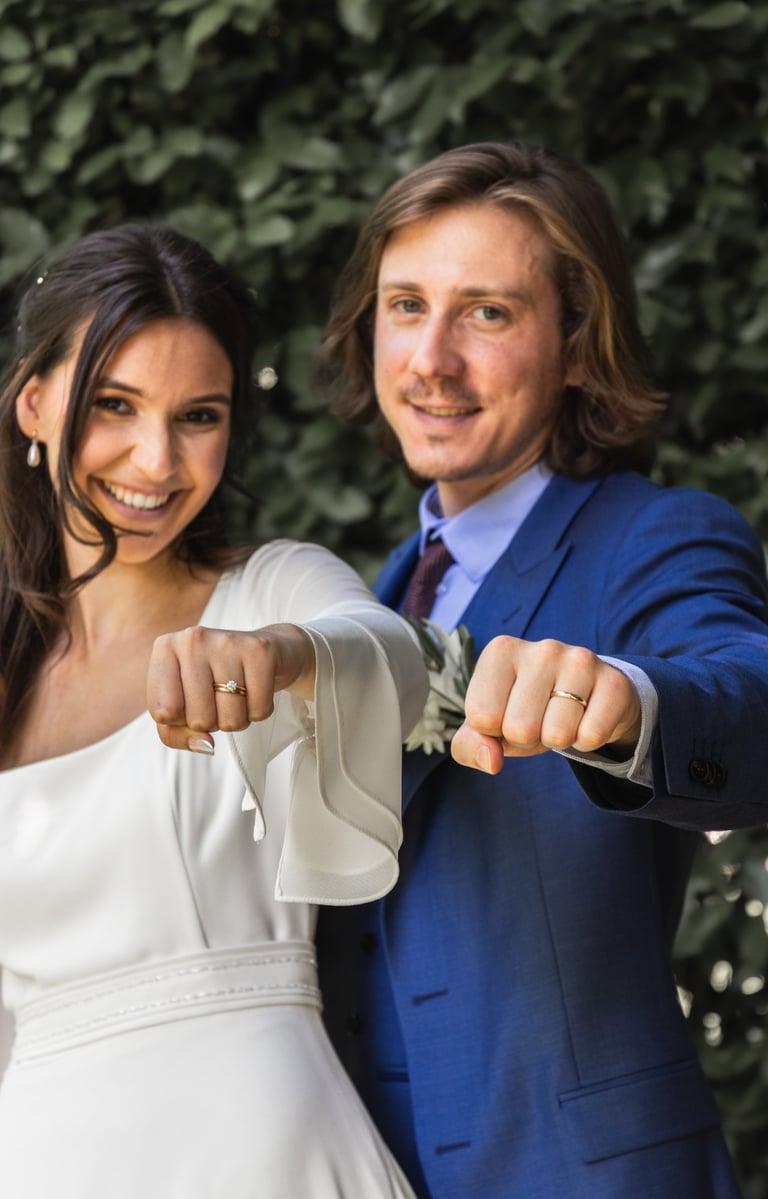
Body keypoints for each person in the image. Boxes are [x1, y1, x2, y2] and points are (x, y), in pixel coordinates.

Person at [316, 141, 768, 1199]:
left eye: (487, 312)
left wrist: (623, 704)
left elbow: (749, 697)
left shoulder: (651, 536)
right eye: (405, 304)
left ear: (576, 344)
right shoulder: (377, 598)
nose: (430, 358)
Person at [0, 223, 429, 1197]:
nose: (155, 460)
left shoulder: (273, 586)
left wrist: (282, 655)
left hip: (264, 1144)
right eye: (115, 405)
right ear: (34, 402)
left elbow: (402, 666)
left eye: (199, 415)